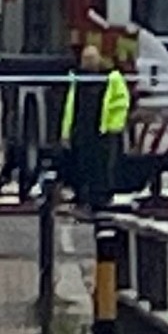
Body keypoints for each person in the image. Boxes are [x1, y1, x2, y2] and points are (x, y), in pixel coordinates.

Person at [59, 46, 129, 211]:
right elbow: (70, 106)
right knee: (81, 165)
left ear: (99, 59)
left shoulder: (112, 78)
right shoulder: (77, 79)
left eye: (91, 58)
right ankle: (83, 197)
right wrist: (66, 132)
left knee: (102, 167)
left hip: (103, 131)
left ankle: (100, 198)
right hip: (81, 130)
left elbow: (121, 103)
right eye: (86, 59)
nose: (88, 62)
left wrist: (113, 126)